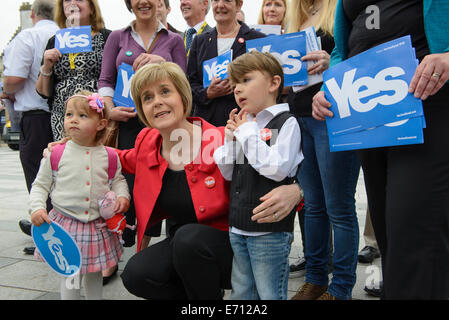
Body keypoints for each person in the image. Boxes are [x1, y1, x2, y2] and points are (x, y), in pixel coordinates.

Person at [115, 62, 303, 300]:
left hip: (235, 245)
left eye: (165, 91)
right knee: (137, 274)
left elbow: (278, 166)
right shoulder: (148, 141)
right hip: (184, 246)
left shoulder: (220, 138)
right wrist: (71, 147)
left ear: (183, 96)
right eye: (147, 97)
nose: (157, 102)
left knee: (189, 240)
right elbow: (121, 159)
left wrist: (297, 190)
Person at [312, 0, 449, 300]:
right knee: (387, 232)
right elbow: (340, 50)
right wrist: (329, 89)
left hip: (427, 106)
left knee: (414, 231)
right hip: (370, 114)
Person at [286, 0, 361, 301]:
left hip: (334, 115)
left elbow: (361, 52)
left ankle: (341, 287)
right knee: (314, 206)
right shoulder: (296, 16)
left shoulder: (342, 8)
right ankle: (316, 279)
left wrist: (332, 62)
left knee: (339, 207)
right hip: (300, 119)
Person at [213, 51, 303, 300]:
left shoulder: (286, 123)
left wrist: (248, 133)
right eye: (234, 85)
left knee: (269, 292)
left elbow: (277, 170)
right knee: (241, 290)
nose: (237, 90)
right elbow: (228, 172)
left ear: (274, 83)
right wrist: (231, 139)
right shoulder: (247, 125)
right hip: (238, 226)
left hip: (270, 231)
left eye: (246, 80)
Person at [98, 0, 186, 251]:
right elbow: (105, 78)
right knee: (128, 185)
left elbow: (184, 82)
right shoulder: (117, 37)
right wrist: (109, 108)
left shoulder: (174, 40)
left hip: (165, 126)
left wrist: (162, 63)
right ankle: (126, 246)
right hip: (128, 125)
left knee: (169, 184)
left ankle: (174, 246)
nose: (143, 2)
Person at [30, 91, 130, 300]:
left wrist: (123, 197)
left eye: (83, 116)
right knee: (70, 273)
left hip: (96, 225)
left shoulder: (109, 155)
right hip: (66, 225)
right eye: (69, 115)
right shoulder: (56, 153)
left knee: (94, 271)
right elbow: (40, 185)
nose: (73, 119)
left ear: (101, 124)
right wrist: (37, 208)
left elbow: (118, 179)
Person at [2, 0, 59, 255]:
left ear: (33, 14)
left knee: (39, 177)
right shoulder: (66, 35)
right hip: (64, 114)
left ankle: (48, 235)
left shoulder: (28, 36)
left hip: (36, 116)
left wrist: (7, 91)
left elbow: (14, 78)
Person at [36, 0, 111, 142]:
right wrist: (46, 66)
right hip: (63, 119)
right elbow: (43, 92)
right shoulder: (55, 41)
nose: (73, 4)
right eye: (67, 0)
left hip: (97, 117)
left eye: (80, 0)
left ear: (91, 8)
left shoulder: (107, 38)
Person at [187, 0, 266, 127]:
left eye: (227, 0)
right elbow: (189, 84)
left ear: (239, 5)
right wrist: (207, 93)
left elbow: (266, 83)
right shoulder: (199, 41)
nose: (220, 5)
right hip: (206, 125)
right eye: (216, 0)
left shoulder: (257, 39)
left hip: (244, 122)